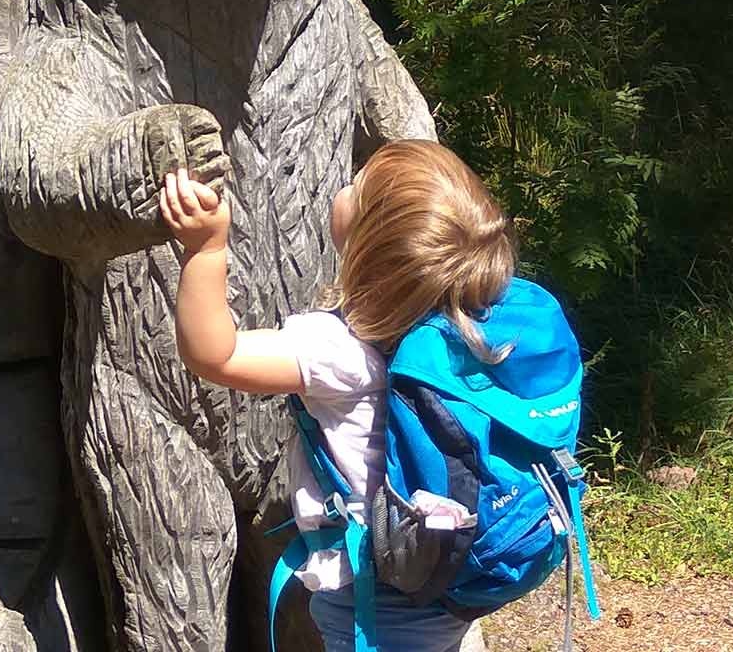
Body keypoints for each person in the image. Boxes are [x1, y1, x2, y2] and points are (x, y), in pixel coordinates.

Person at [158, 139, 518, 652]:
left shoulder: (340, 350)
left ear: (369, 242)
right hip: (448, 577)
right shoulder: (467, 329)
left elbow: (215, 355)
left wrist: (207, 248)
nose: (346, 180)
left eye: (358, 182)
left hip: (378, 598)